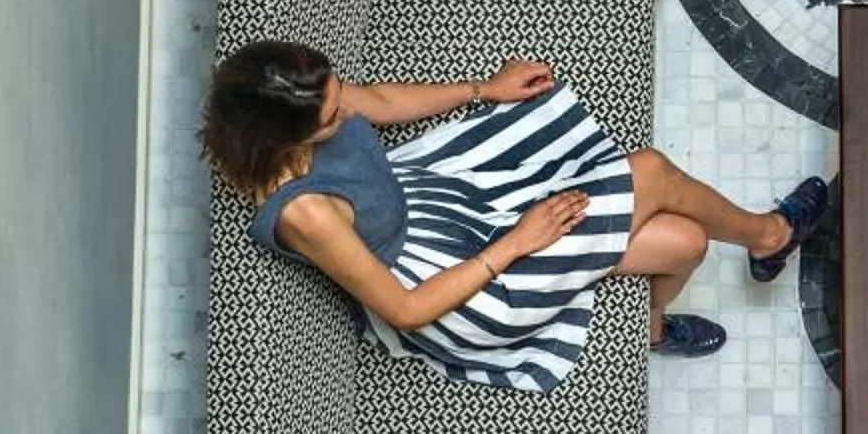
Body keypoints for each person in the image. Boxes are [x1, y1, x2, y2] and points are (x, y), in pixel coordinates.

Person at [201, 41, 826, 389]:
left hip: (446, 203)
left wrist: (484, 91)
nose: (347, 113)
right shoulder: (303, 212)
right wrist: (519, 242)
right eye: (333, 117)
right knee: (652, 172)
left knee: (686, 242)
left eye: (338, 98)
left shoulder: (299, 99)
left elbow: (382, 102)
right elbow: (406, 310)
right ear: (281, 139)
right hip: (454, 287)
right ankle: (770, 235)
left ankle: (653, 330)